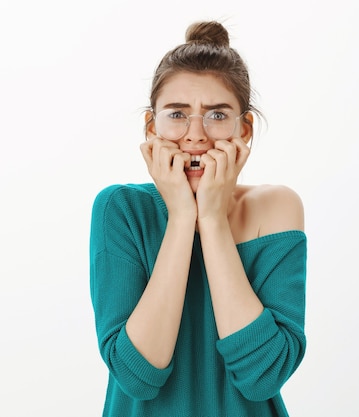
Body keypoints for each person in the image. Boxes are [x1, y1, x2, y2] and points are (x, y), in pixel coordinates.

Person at [89, 21, 307, 416]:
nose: (195, 136)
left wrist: (211, 218)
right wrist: (180, 217)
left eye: (217, 115)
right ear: (151, 128)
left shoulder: (276, 208)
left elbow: (263, 376)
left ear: (245, 129)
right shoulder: (120, 208)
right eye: (177, 114)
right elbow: (137, 375)